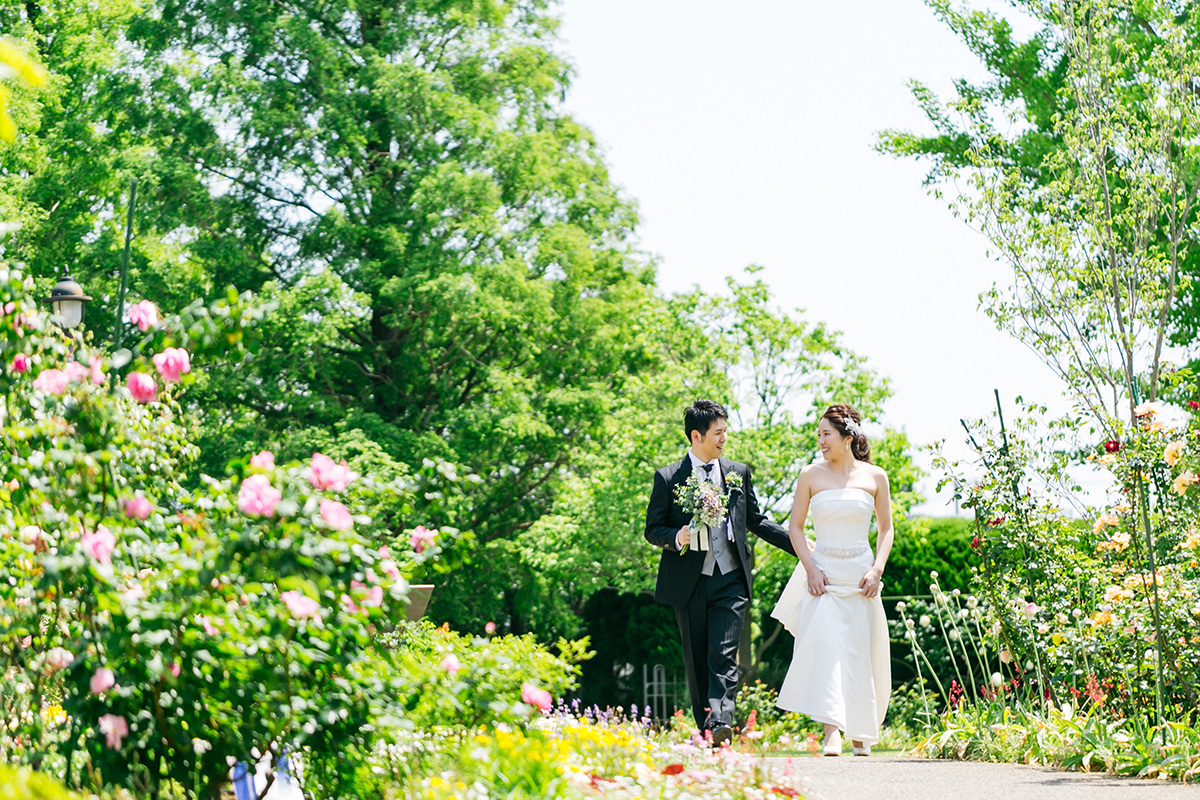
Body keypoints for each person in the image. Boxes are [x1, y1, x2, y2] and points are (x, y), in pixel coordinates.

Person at [644, 399, 797, 746]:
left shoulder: (737, 473)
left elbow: (756, 521)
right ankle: (707, 728)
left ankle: (721, 723)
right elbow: (652, 528)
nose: (724, 438)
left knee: (724, 654)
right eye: (718, 432)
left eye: (725, 431)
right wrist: (676, 536)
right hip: (689, 583)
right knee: (698, 660)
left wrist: (800, 546)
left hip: (731, 579)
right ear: (696, 436)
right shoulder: (668, 477)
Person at [772, 403, 893, 756]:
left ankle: (860, 732)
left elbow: (886, 530)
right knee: (827, 649)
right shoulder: (810, 475)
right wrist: (810, 568)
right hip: (822, 577)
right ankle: (831, 732)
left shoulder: (876, 477)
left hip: (860, 578)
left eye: (826, 434)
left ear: (847, 436)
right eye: (819, 434)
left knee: (857, 652)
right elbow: (795, 528)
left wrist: (877, 570)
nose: (821, 440)